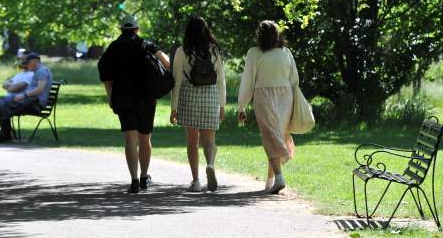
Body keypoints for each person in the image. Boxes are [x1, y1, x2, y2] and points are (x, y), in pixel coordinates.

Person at [98, 15, 171, 194]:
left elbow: (105, 74)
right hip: (146, 97)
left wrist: (110, 96)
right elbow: (167, 63)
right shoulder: (146, 44)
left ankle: (134, 181)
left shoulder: (114, 47)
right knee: (145, 138)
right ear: (137, 29)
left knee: (130, 138)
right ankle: (145, 177)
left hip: (123, 97)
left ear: (121, 29)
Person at [237, 20, 299, 194]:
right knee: (276, 135)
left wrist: (242, 106)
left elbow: (247, 81)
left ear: (260, 35)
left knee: (269, 136)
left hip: (263, 97)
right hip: (286, 96)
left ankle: (278, 178)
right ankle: (270, 181)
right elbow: (294, 79)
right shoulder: (285, 53)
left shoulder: (254, 53)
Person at [169, 16, 226, 192]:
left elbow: (176, 81)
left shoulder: (182, 51)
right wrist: (222, 105)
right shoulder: (214, 50)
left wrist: (174, 108)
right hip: (210, 95)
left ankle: (196, 181)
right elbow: (221, 80)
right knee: (209, 139)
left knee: (192, 141)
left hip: (188, 95)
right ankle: (210, 164)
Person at [0, 52, 52, 143]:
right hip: (31, 101)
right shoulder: (39, 71)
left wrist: (24, 95)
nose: (27, 65)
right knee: (3, 104)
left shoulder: (42, 71)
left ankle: (6, 135)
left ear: (35, 61)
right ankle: (7, 135)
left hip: (36, 104)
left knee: (3, 104)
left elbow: (40, 89)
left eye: (28, 62)